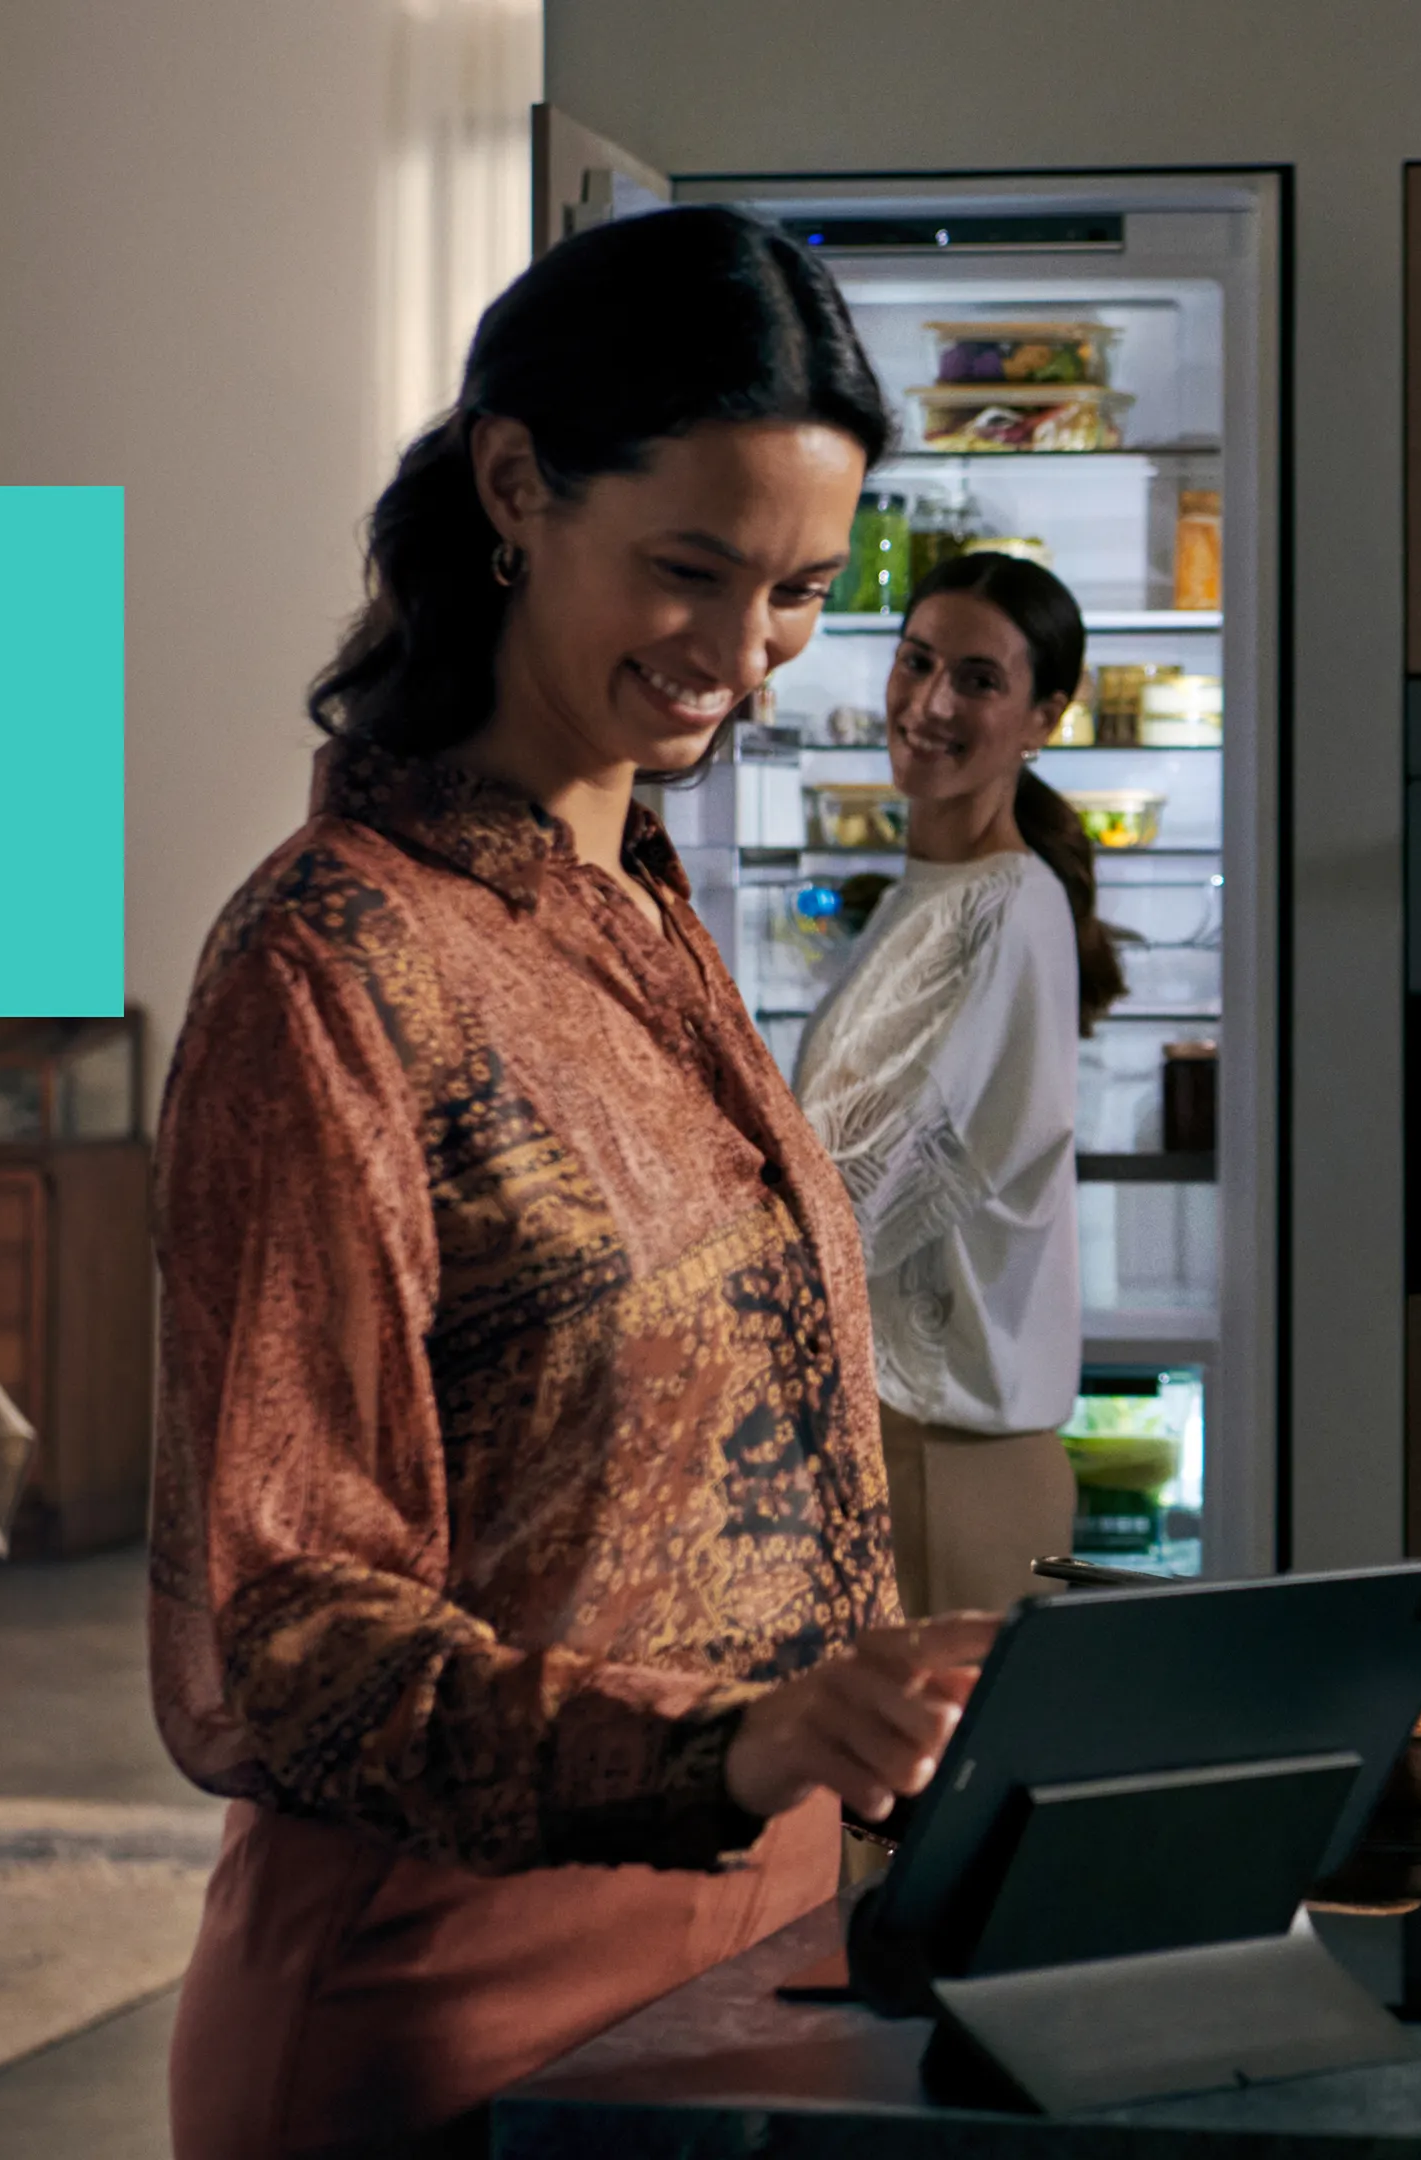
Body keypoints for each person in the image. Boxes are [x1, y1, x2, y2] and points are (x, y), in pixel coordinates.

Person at [149, 207, 997, 2160]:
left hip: (761, 1969)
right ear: (517, 485)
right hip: (450, 2015)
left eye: (795, 594)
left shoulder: (648, 910)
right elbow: (284, 1636)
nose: (743, 664)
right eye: (688, 573)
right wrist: (729, 1744)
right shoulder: (329, 968)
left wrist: (852, 1715)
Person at [791, 550, 1127, 1613]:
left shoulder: (996, 908)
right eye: (916, 662)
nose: (930, 703)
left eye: (979, 680)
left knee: (918, 1783)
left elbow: (842, 1197)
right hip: (906, 1447)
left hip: (946, 1462)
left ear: (1045, 718)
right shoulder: (935, 893)